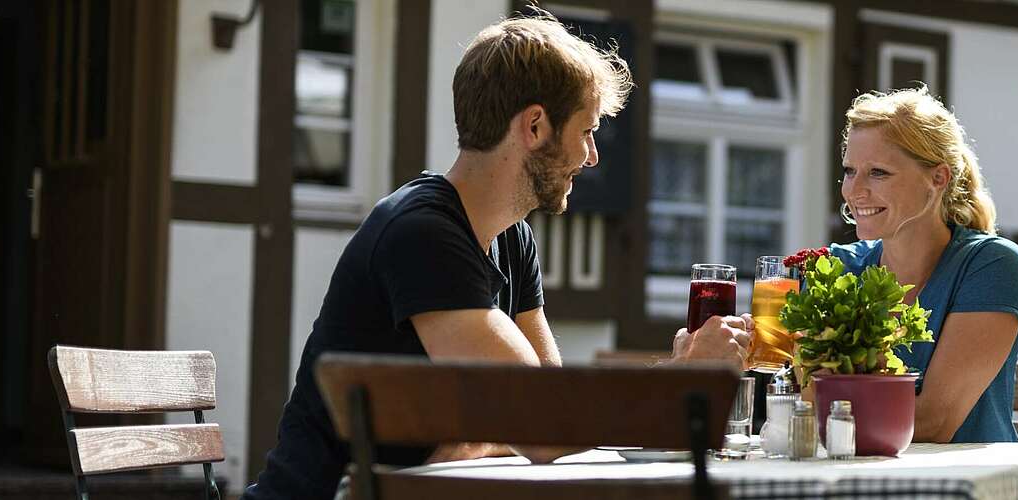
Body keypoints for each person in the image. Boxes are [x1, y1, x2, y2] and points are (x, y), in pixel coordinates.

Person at [242, 13, 751, 500]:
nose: (592, 156)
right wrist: (683, 381)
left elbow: (547, 410)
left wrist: (487, 436)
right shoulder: (423, 233)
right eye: (587, 131)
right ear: (534, 127)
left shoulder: (511, 238)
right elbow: (544, 428)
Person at [828, 86, 1018, 443]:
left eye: (878, 172)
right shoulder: (837, 269)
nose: (854, 190)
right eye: (849, 170)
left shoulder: (992, 264)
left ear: (938, 178)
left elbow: (934, 422)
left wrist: (812, 408)